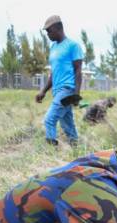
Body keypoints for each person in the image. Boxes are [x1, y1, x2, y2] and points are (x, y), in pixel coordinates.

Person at [35, 15, 83, 147]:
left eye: (49, 31)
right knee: (67, 123)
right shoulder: (53, 47)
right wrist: (43, 91)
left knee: (49, 120)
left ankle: (51, 152)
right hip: (57, 91)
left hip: (67, 90)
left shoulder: (73, 46)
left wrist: (76, 94)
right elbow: (53, 73)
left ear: (58, 28)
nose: (47, 34)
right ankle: (76, 149)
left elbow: (78, 70)